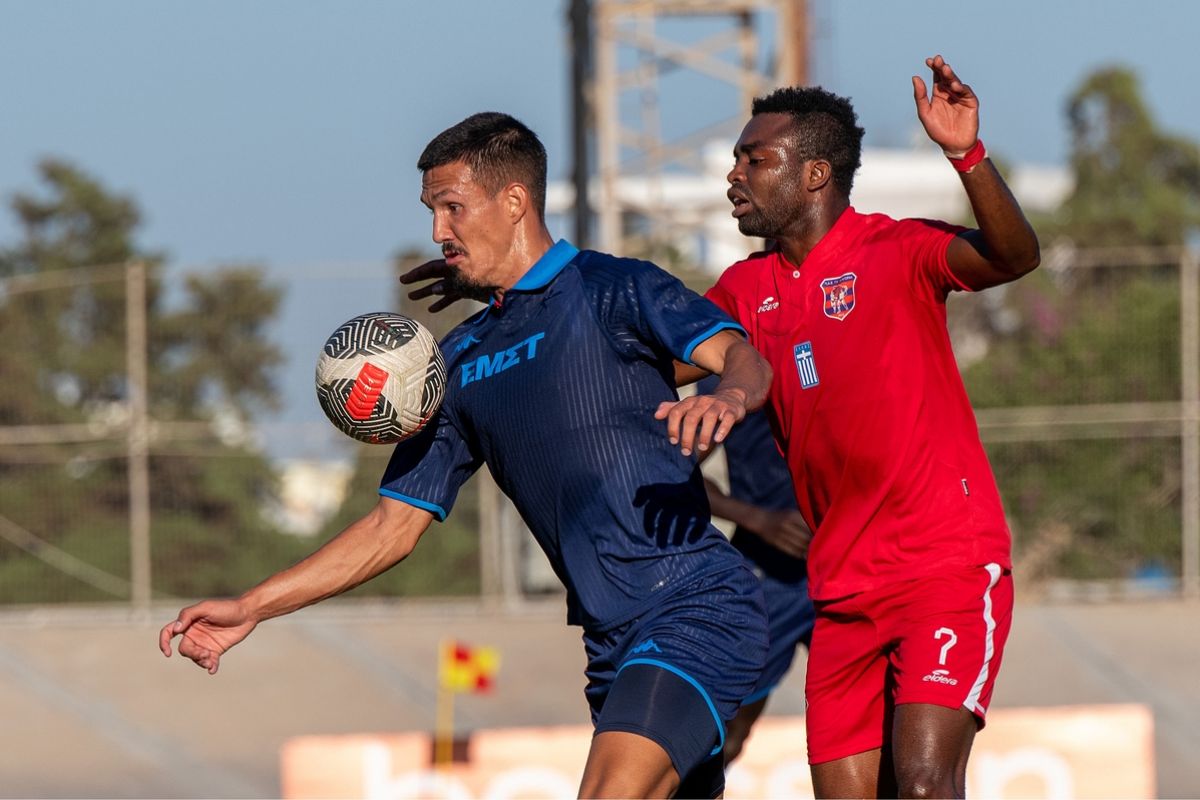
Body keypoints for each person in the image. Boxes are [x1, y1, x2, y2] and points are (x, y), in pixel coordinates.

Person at [159, 112, 775, 800]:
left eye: (452, 207)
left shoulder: (613, 288)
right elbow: (392, 529)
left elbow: (741, 354)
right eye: (431, 211)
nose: (437, 231)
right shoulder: (452, 362)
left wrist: (731, 398)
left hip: (694, 606)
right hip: (609, 644)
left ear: (514, 201)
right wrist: (252, 606)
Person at [692, 55, 1040, 798]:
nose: (736, 176)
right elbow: (644, 374)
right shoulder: (744, 292)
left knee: (920, 784)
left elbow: (1014, 255)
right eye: (736, 161)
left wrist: (965, 154)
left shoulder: (896, 249)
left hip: (942, 565)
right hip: (841, 588)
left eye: (757, 160)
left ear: (815, 175)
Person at [695, 375, 816, 766]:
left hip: (845, 567)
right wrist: (758, 520)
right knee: (726, 729)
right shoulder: (724, 366)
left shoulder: (827, 337)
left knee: (882, 716)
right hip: (765, 575)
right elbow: (673, 469)